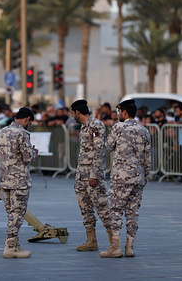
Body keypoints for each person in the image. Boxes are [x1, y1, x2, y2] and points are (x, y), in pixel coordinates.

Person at [100, 99, 151, 258]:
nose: (118, 114)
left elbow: (108, 146)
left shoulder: (118, 127)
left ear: (124, 112)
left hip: (121, 176)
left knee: (115, 210)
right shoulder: (144, 130)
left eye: (119, 112)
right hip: (138, 177)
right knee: (132, 212)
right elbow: (147, 158)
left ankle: (116, 247)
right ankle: (129, 247)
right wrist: (145, 177)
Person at [0, 107, 38, 258]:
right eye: (29, 122)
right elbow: (27, 157)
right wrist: (34, 153)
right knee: (18, 214)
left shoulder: (2, 132)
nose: (29, 125)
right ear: (27, 119)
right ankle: (10, 247)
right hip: (19, 181)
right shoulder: (22, 133)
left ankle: (16, 245)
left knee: (11, 214)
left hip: (5, 180)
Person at [70, 100, 112, 252]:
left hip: (93, 176)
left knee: (102, 208)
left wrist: (94, 174)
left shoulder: (96, 125)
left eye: (72, 113)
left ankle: (114, 242)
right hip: (82, 175)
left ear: (77, 112)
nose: (72, 115)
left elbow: (99, 151)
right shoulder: (84, 127)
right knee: (85, 208)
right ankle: (91, 240)